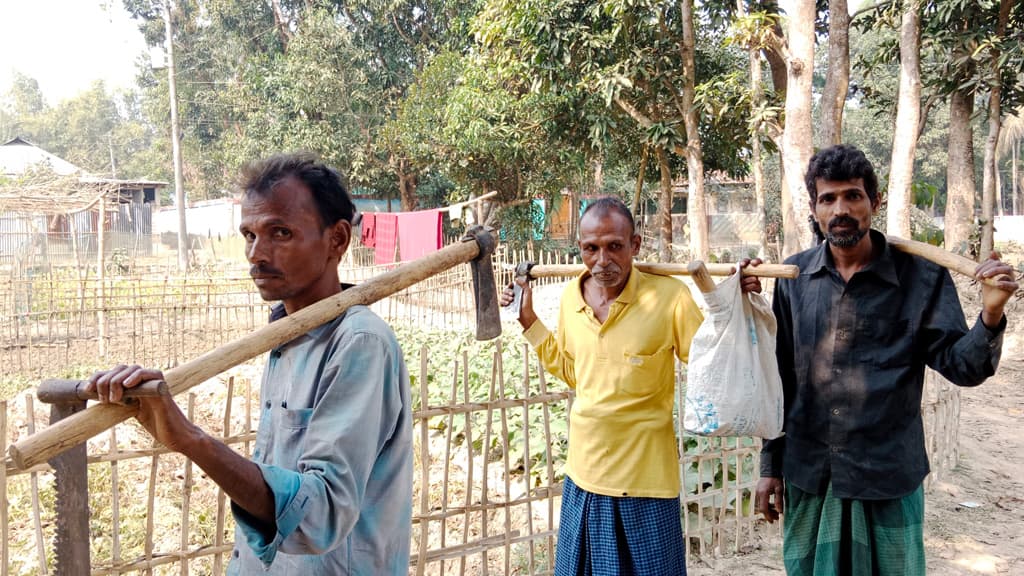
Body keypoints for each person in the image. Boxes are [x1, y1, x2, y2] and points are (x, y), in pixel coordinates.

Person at [86, 153, 413, 575]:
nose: (257, 253)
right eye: (249, 235)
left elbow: (321, 514)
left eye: (280, 232)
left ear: (337, 239)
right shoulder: (285, 337)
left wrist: (190, 439)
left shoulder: (359, 344)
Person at [756, 144, 1018, 576]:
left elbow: (963, 367)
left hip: (886, 478)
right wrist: (770, 466)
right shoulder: (794, 278)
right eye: (828, 198)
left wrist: (990, 315)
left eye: (853, 196)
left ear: (874, 203)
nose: (841, 209)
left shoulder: (922, 278)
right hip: (810, 475)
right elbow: (780, 378)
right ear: (815, 209)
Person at [501, 197, 761, 576]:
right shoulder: (571, 298)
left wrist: (732, 302)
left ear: (635, 245)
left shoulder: (669, 298)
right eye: (591, 249)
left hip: (647, 482)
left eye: (614, 247)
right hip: (586, 475)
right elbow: (577, 374)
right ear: (580, 249)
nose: (602, 261)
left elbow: (711, 362)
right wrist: (528, 321)